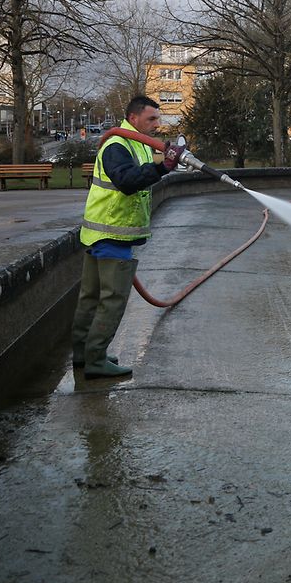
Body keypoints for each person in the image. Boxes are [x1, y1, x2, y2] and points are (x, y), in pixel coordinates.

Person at [70, 96, 184, 379]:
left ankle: (84, 354)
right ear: (133, 118)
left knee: (91, 297)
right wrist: (162, 167)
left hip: (103, 232)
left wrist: (164, 161)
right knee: (112, 299)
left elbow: (140, 171)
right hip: (112, 233)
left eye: (158, 119)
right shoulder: (117, 144)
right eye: (151, 119)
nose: (157, 124)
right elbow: (127, 181)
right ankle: (96, 360)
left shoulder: (135, 143)